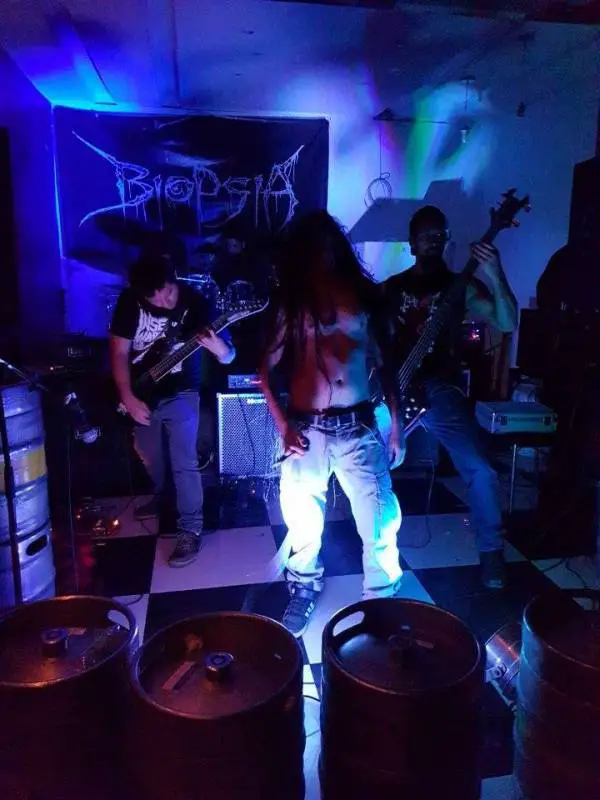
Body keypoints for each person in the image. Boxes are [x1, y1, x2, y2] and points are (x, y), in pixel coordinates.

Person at [259, 210, 403, 637]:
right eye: (312, 246)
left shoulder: (365, 297)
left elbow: (387, 366)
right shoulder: (291, 304)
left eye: (326, 244)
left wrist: (396, 427)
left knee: (379, 519)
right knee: (302, 519)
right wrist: (283, 426)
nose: (320, 253)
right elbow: (264, 369)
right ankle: (304, 587)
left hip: (358, 425)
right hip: (305, 429)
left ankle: (380, 598)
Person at [383, 205, 518, 589]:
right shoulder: (391, 288)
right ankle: (369, 543)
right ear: (411, 243)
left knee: (480, 468)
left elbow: (507, 321)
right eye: (425, 236)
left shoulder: (462, 286)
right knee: (367, 461)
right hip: (395, 388)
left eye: (439, 235)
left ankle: (491, 551)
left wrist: (494, 271)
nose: (433, 241)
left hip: (440, 389)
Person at [109, 254, 235, 567]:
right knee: (149, 455)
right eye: (155, 299)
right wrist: (127, 396)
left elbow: (229, 356)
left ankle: (190, 529)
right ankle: (164, 497)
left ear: (174, 278)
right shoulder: (129, 302)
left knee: (184, 462)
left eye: (169, 293)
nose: (166, 302)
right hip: (141, 392)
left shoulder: (197, 303)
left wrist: (217, 347)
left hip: (182, 391)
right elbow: (119, 352)